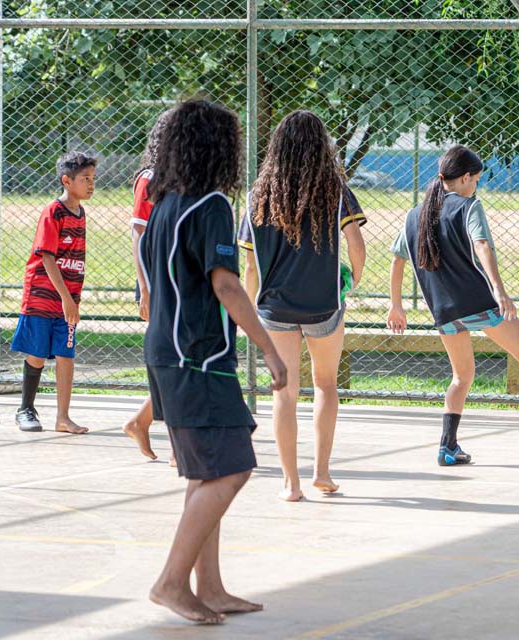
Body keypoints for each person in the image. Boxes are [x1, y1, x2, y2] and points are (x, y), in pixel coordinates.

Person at [139, 99, 288, 624]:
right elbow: (225, 283)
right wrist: (269, 350)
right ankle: (171, 582)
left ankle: (210, 586)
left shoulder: (162, 208)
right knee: (233, 469)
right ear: (218, 147)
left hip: (167, 353)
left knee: (206, 474)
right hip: (198, 358)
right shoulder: (212, 206)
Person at [387, 145, 519, 466]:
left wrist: (396, 305)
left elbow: (398, 259)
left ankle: (447, 446)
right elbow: (481, 244)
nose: (476, 186)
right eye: (477, 180)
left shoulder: (414, 214)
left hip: (443, 310)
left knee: (462, 377)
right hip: (478, 303)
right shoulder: (469, 206)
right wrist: (500, 291)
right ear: (466, 178)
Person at [239, 110, 366, 502]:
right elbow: (357, 246)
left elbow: (249, 265)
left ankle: (290, 483)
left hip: (274, 309)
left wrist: (250, 312)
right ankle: (322, 473)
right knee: (326, 385)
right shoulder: (335, 189)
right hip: (323, 306)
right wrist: (350, 285)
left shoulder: (260, 194)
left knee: (284, 392)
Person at [12, 151, 96, 434]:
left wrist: (73, 300)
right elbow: (47, 257)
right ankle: (26, 409)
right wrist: (65, 298)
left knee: (66, 354)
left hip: (68, 300)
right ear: (66, 181)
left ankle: (63, 417)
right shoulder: (53, 211)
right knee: (36, 354)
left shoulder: (81, 213)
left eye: (93, 178)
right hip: (43, 296)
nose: (91, 184)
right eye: (85, 179)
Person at [123, 111, 174, 462]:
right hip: (157, 282)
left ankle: (141, 421)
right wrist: (146, 288)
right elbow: (138, 233)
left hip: (176, 279)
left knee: (179, 359)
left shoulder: (180, 177)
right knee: (173, 361)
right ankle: (177, 445)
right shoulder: (150, 178)